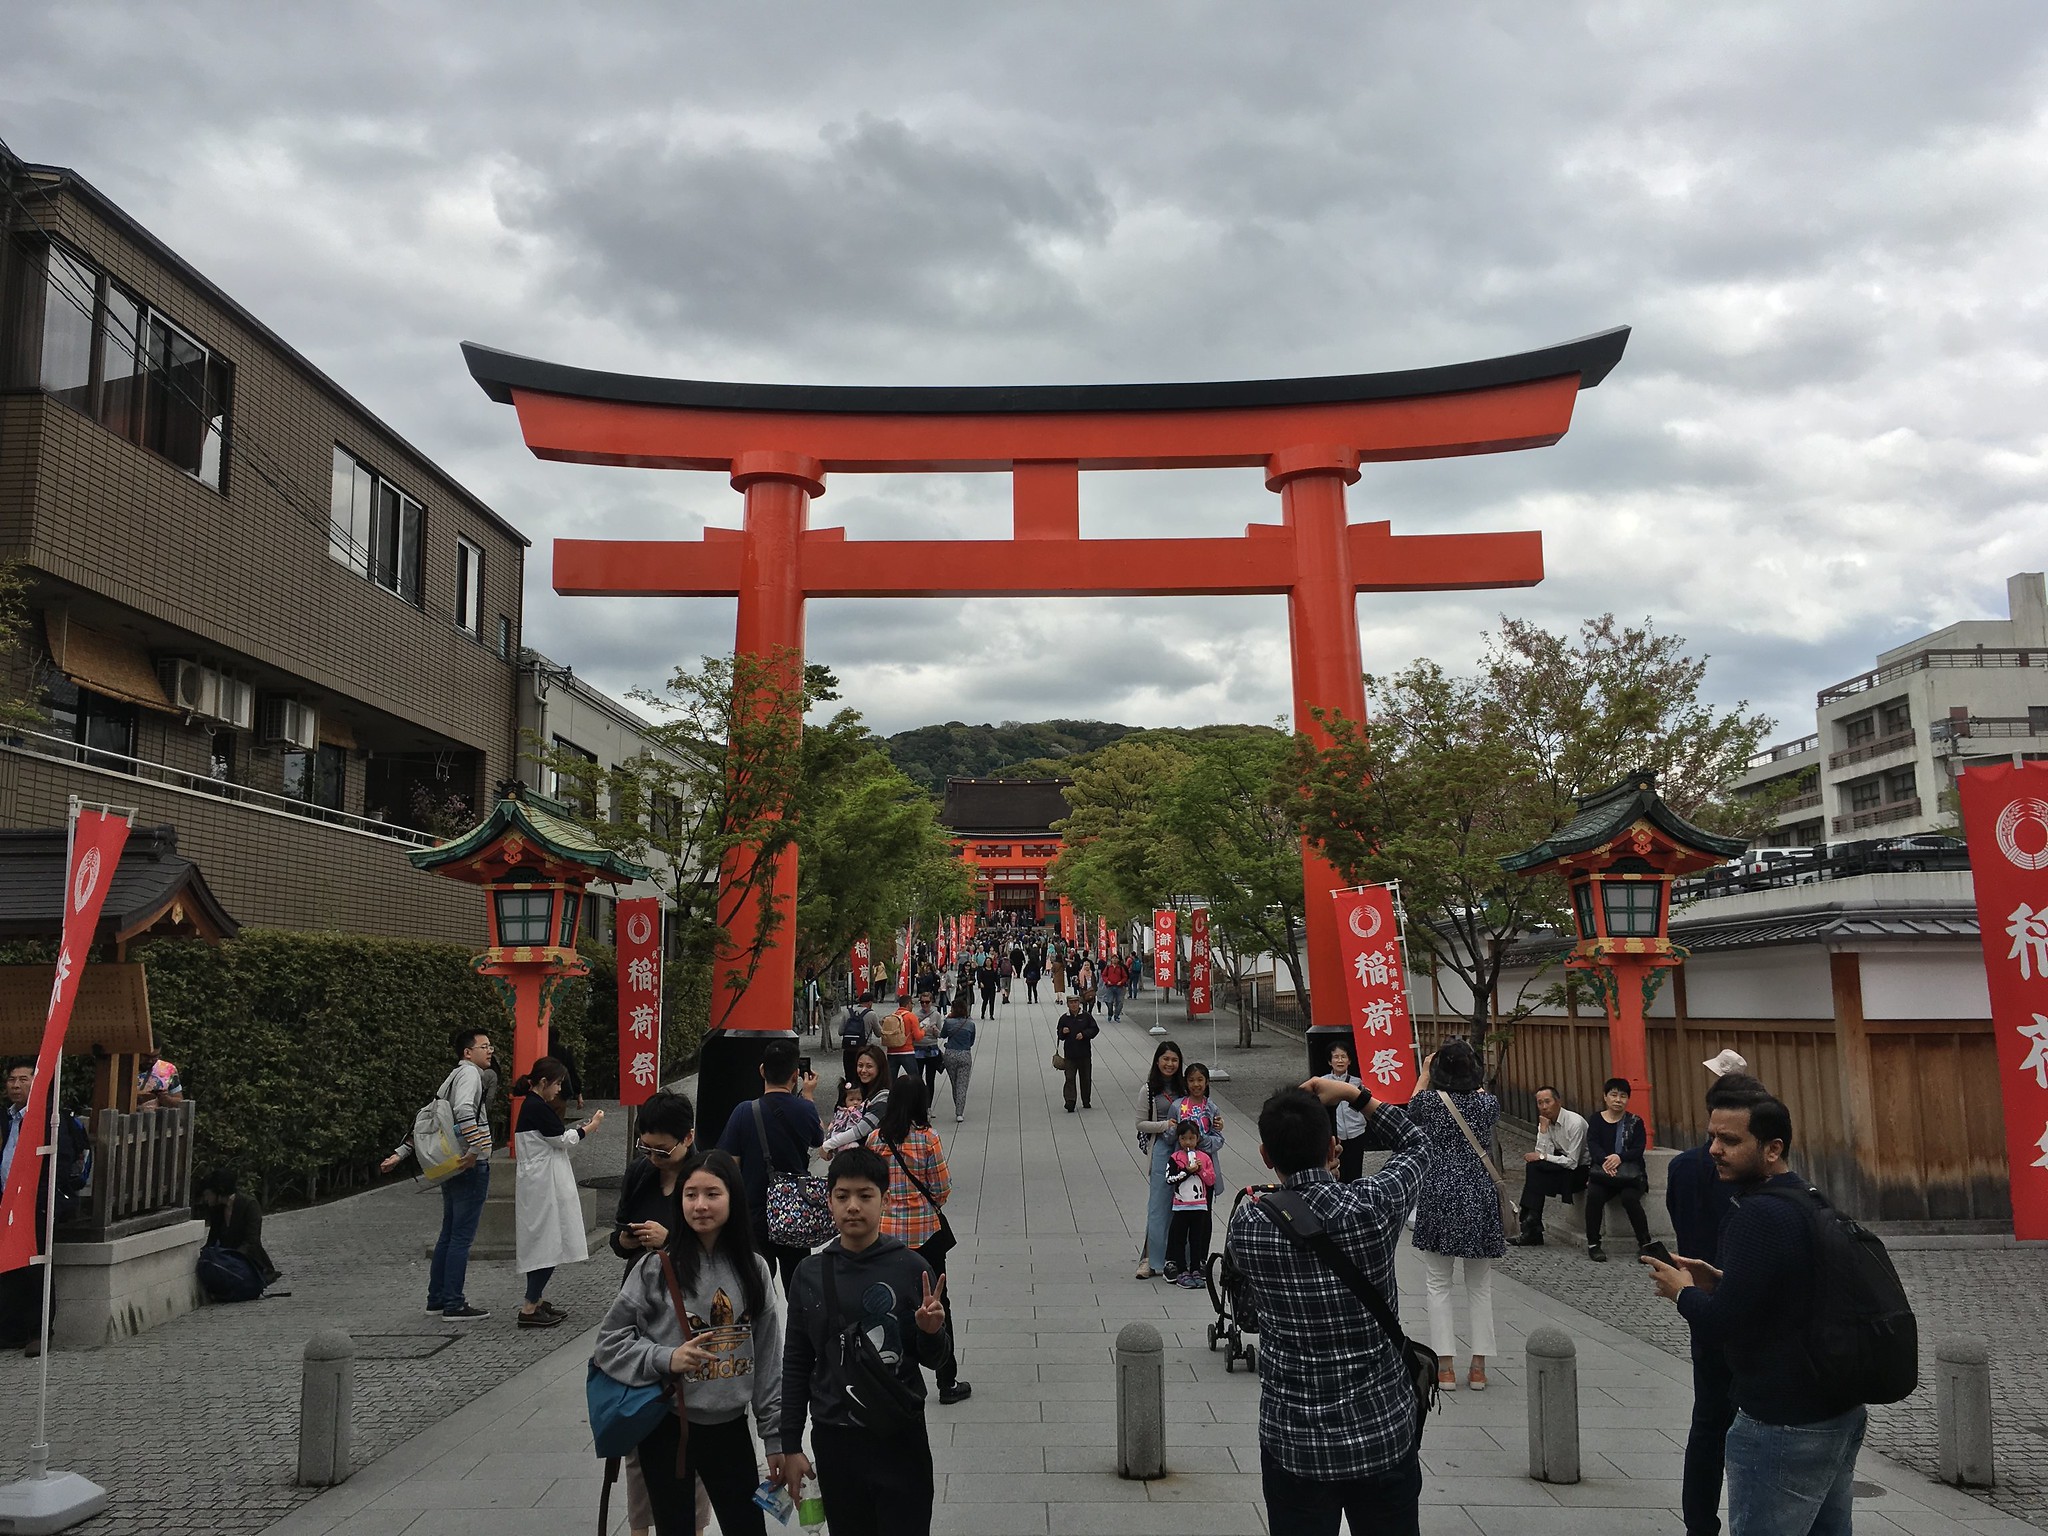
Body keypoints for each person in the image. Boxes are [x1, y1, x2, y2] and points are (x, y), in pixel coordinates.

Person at [1645, 1096, 1867, 1536]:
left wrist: (1682, 1294)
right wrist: (1723, 1279)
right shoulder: (1806, 1196)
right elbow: (1791, 1293)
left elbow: (1720, 1325)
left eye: (1730, 1140)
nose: (1713, 1150)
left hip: (1782, 1419)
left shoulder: (1756, 1214)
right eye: (1711, 1137)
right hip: (1835, 1409)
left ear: (1772, 1148)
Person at [1228, 1078, 1430, 1535]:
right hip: (1380, 1430)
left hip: (1294, 1438)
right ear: (1333, 1144)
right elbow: (1419, 1144)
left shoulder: (1249, 1221)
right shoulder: (1371, 1206)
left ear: (1266, 1156)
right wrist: (1354, 1094)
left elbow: (1248, 1310)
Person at [595, 1150, 783, 1536]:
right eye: (690, 1194)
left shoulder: (754, 1268)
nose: (700, 1205)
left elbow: (768, 1358)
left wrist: (775, 1436)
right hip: (669, 1427)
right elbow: (608, 1342)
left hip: (731, 1427)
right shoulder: (655, 1268)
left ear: (732, 1196)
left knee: (747, 1527)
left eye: (712, 1194)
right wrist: (665, 1358)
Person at [771, 1147, 953, 1536]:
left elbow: (936, 1360)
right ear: (830, 1202)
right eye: (842, 1196)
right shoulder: (810, 1273)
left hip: (899, 1434)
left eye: (865, 1195)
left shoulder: (910, 1267)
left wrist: (930, 1331)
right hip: (836, 1436)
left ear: (884, 1201)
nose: (853, 1206)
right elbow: (798, 1362)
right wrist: (791, 1443)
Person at [1666, 1060, 1771, 1536]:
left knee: (1708, 1422)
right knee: (1761, 1423)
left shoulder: (1682, 1168)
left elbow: (1680, 1220)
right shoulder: (1761, 1175)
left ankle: (1699, 1525)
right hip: (1752, 1308)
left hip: (1700, 1303)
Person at [866, 1074, 971, 1405]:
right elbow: (942, 1187)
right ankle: (946, 1379)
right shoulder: (928, 1139)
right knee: (937, 1303)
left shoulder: (874, 1140)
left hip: (885, 1237)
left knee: (887, 1306)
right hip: (925, 1236)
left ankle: (889, 1375)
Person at [1406, 1038, 1503, 1391]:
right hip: (1478, 1192)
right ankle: (1478, 1366)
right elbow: (1478, 1089)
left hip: (1439, 1191)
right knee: (1479, 1284)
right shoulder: (1487, 1104)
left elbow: (1411, 1108)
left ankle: (1445, 1366)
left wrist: (1424, 1072)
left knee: (1437, 1282)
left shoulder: (1429, 1103)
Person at [381, 1027, 496, 1321]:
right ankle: (454, 1303)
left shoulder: (451, 1077)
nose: (490, 1050)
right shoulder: (471, 1075)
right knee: (461, 1236)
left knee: (448, 1232)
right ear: (467, 1052)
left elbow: (430, 1117)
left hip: (451, 1166)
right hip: (469, 1165)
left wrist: (401, 1152)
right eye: (484, 1046)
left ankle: (437, 1298)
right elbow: (464, 1111)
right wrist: (475, 1149)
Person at [715, 1039, 823, 1293]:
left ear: (762, 1070)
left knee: (756, 1287)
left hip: (754, 1212)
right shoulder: (805, 1110)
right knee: (797, 1286)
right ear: (795, 1075)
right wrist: (808, 1095)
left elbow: (729, 1165)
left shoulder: (743, 1112)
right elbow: (819, 1138)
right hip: (794, 1211)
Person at [1, 1059, 88, 1355]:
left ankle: (40, 1332)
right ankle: (11, 1331)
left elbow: (60, 1164)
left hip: (35, 1202)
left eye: (23, 1080)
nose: (16, 1085)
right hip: (6, 1201)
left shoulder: (50, 1119)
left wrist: (39, 1199)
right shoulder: (7, 1118)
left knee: (36, 1268)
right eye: (12, 1080)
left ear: (37, 1083)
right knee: (8, 1267)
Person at [511, 1056, 603, 1327]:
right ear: (543, 1082)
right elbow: (563, 1140)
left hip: (539, 1181)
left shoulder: (533, 1105)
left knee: (541, 1239)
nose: (559, 1089)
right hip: (544, 1184)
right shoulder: (537, 1107)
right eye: (558, 1083)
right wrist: (590, 1127)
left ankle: (536, 1300)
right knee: (546, 1242)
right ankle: (529, 1306)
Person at [610, 1090, 698, 1271]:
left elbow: (723, 1247)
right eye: (646, 1148)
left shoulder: (708, 1177)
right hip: (641, 1285)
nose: (654, 1158)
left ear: (688, 1138)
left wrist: (668, 1240)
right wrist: (624, 1241)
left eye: (662, 1151)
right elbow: (619, 1231)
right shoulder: (638, 1171)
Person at [1508, 1085, 1589, 1246]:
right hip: (1561, 1166)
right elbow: (1539, 1157)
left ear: (1558, 1102)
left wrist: (1543, 1156)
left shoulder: (1575, 1123)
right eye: (1540, 1103)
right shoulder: (1545, 1122)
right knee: (1534, 1168)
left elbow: (1572, 1162)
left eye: (1547, 1102)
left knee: (1535, 1173)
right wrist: (1544, 1131)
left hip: (1580, 1170)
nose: (1544, 1107)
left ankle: (1531, 1223)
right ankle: (1532, 1222)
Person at [1585, 1076, 1652, 1262]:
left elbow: (1638, 1148)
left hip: (1630, 1174)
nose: (1618, 1100)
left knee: (1630, 1198)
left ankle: (1645, 1243)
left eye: (1623, 1096)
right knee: (1594, 1196)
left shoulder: (1635, 1122)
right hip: (1603, 1172)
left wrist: (1619, 1157)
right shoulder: (1596, 1120)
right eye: (1613, 1095)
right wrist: (1607, 1162)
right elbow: (1593, 1143)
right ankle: (1593, 1244)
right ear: (1605, 1097)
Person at [1133, 1041, 1186, 1280]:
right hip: (1162, 1150)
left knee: (1184, 1205)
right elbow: (1140, 1123)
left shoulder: (1184, 1087)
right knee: (1158, 1206)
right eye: (1166, 1059)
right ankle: (1151, 1259)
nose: (1170, 1064)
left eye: (1174, 1060)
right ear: (1157, 1061)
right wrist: (1164, 1125)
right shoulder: (1148, 1090)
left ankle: (1178, 1257)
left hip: (1185, 1151)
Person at [195, 1168, 280, 1287]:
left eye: (207, 1194)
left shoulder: (249, 1205)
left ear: (219, 1191)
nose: (206, 1199)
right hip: (226, 1261)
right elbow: (212, 1239)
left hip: (248, 1261)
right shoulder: (217, 1210)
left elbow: (252, 1241)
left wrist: (232, 1257)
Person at [1164, 1120, 1216, 1286]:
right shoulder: (1175, 1158)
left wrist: (1200, 1170)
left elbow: (1211, 1180)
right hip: (1181, 1206)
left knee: (1196, 1239)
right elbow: (1170, 1179)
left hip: (1199, 1206)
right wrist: (1186, 1171)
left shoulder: (1204, 1158)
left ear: (1197, 1139)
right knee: (1179, 1238)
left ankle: (1196, 1269)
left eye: (1192, 1138)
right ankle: (1181, 1270)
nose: (1188, 1142)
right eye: (1184, 1138)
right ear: (1179, 1140)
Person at [818, 1045, 892, 1156]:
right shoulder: (856, 1091)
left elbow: (860, 1130)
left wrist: (828, 1145)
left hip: (871, 1159)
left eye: (869, 1066)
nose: (863, 1070)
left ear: (880, 1068)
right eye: (860, 1065)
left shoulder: (883, 1097)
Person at [1326, 1045, 1370, 1181]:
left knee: (1355, 1171)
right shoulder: (1323, 1082)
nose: (1340, 1060)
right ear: (1330, 1061)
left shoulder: (1359, 1083)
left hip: (1356, 1132)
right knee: (1336, 1173)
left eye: (1343, 1057)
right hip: (1336, 1136)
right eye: (1336, 1057)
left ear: (1349, 1061)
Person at [1054, 995, 1098, 1113]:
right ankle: (1070, 1101)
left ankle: (1086, 1099)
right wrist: (1062, 1032)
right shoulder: (1064, 1018)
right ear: (1068, 1005)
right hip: (1070, 1054)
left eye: (1075, 1002)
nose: (1074, 1005)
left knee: (1085, 1078)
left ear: (1079, 1003)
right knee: (1069, 1078)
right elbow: (1059, 1034)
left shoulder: (1086, 1017)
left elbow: (1094, 1029)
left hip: (1084, 1053)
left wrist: (1084, 1034)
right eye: (1071, 1003)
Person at [938, 994, 976, 1125]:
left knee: (954, 1082)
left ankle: (957, 1105)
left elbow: (942, 1035)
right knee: (962, 1084)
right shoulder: (970, 1024)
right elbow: (971, 1041)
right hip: (965, 1054)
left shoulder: (948, 1022)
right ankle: (959, 1111)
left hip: (950, 1054)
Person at [912, 998, 946, 1103]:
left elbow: (940, 1034)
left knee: (930, 1079)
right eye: (922, 1002)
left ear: (931, 1002)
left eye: (927, 1002)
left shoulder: (936, 1015)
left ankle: (928, 1105)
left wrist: (935, 1030)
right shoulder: (915, 1015)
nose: (924, 1004)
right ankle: (918, 1103)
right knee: (917, 1079)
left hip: (931, 1048)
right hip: (918, 1049)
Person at [838, 990, 876, 1086]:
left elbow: (840, 1032)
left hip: (848, 1049)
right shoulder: (871, 1014)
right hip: (864, 1050)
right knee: (863, 1076)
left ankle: (848, 1096)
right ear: (870, 1002)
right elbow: (879, 1033)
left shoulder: (847, 1012)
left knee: (849, 1077)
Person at [1100, 951, 1129, 1021]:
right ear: (1111, 960)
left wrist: (1121, 982)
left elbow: (1125, 977)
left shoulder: (1121, 968)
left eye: (1116, 958)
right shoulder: (1108, 967)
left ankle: (1117, 1015)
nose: (1115, 960)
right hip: (1110, 987)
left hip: (1119, 987)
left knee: (1120, 1002)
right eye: (1113, 958)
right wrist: (1107, 981)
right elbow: (1103, 975)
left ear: (1118, 960)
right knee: (1109, 1002)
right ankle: (1110, 1014)